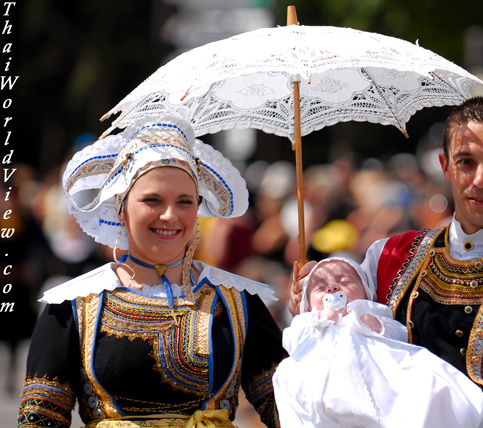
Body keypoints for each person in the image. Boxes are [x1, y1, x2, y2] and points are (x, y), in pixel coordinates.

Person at [288, 96, 483, 427]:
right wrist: (310, 299)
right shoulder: (388, 256)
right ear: (445, 166)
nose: (480, 179)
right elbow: (333, 356)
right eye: (466, 162)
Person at [18, 116, 287, 428]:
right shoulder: (74, 305)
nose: (170, 215)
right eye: (152, 200)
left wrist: (313, 328)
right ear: (121, 205)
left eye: (184, 202)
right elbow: (39, 420)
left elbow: (291, 410)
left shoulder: (237, 301)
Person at [274, 257, 483, 427]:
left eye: (345, 281)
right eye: (320, 286)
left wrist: (369, 323)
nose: (332, 287)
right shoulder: (309, 321)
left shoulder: (367, 312)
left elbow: (396, 334)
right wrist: (316, 321)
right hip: (321, 381)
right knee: (286, 374)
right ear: (307, 304)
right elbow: (294, 342)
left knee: (421, 387)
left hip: (374, 374)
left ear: (367, 294)